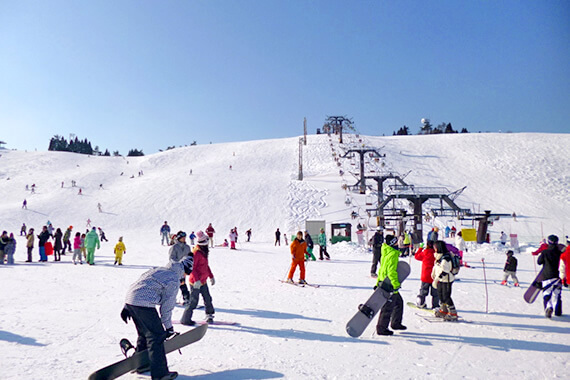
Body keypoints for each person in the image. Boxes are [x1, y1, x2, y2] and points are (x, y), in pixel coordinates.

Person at [120, 257, 193, 380]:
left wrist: (127, 306)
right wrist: (168, 328)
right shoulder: (174, 279)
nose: (185, 276)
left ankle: (142, 363)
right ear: (185, 270)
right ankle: (160, 374)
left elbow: (139, 283)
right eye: (186, 273)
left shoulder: (158, 270)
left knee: (145, 333)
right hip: (143, 303)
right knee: (156, 336)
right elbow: (167, 307)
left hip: (131, 299)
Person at [181, 231, 215, 325]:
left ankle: (210, 315)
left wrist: (211, 276)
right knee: (193, 301)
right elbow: (193, 268)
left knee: (207, 298)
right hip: (195, 282)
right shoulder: (196, 252)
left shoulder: (203, 251)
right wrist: (196, 280)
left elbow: (205, 266)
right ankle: (185, 319)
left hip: (203, 281)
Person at [375, 234, 407, 335]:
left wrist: (378, 282)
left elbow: (381, 270)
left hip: (384, 281)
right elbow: (391, 271)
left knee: (399, 303)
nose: (398, 243)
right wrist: (396, 284)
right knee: (387, 307)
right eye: (396, 242)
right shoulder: (392, 254)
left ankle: (396, 323)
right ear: (393, 243)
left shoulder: (385, 252)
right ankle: (381, 328)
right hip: (389, 284)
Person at [537, 235, 563, 318]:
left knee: (547, 292)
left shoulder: (545, 252)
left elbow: (539, 262)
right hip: (558, 276)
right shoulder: (560, 253)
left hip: (547, 276)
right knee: (557, 294)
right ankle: (558, 311)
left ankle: (549, 307)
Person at [432, 241, 458, 321]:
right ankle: (444, 310)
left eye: (435, 247)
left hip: (447, 280)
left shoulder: (445, 258)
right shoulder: (439, 257)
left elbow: (445, 270)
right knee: (440, 296)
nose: (434, 249)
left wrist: (437, 279)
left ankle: (453, 313)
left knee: (446, 296)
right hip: (441, 280)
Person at [168, 231, 192, 304]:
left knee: (182, 282)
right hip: (175, 269)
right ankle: (170, 299)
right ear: (179, 238)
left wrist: (188, 267)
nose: (184, 239)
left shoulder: (187, 247)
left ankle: (187, 298)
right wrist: (177, 266)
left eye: (185, 238)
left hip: (184, 269)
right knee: (176, 283)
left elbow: (189, 257)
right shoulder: (174, 247)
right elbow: (171, 258)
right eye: (182, 238)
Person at [415, 241, 439, 309]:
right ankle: (435, 305)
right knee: (435, 293)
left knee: (423, 291)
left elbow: (416, 256)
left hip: (425, 276)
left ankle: (421, 303)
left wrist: (420, 248)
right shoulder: (436, 254)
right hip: (434, 276)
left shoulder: (424, 253)